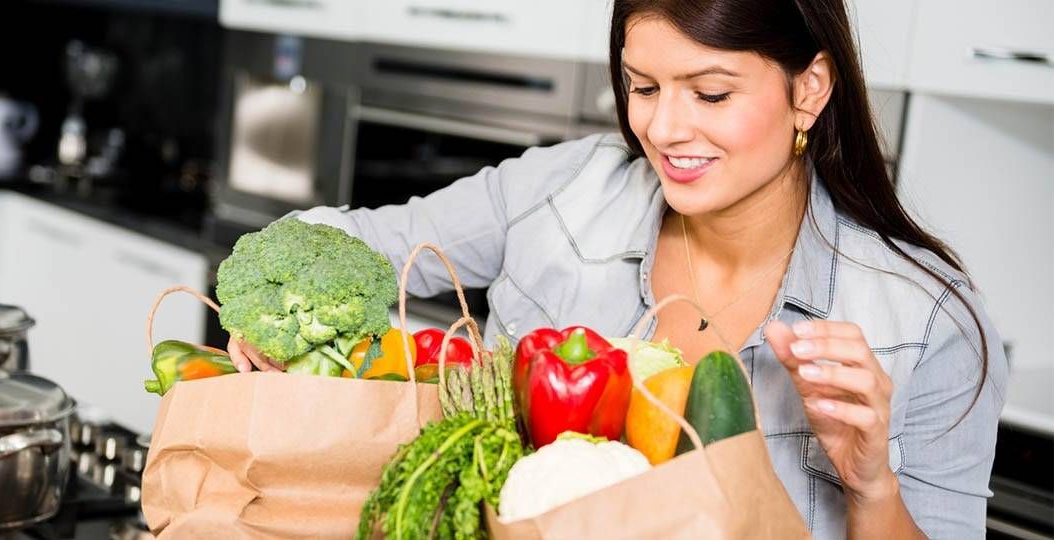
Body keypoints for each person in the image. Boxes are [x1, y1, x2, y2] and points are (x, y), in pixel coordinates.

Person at [227, 0, 1009, 537]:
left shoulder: (930, 323)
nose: (665, 129)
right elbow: (367, 242)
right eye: (643, 87)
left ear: (809, 88)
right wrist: (274, 303)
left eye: (709, 92)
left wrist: (873, 485)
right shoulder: (559, 192)